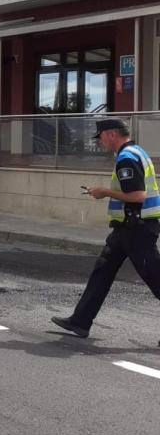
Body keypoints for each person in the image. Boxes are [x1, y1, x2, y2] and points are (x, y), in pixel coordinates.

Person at [52, 119, 160, 341]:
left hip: (137, 229)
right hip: (125, 228)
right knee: (101, 272)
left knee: (156, 278)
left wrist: (104, 192)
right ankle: (80, 321)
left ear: (111, 134)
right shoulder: (136, 151)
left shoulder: (127, 158)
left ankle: (80, 321)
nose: (100, 142)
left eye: (100, 137)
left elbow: (138, 195)